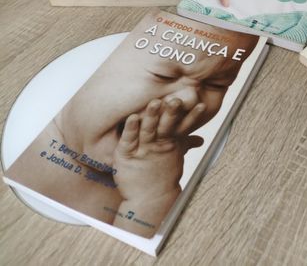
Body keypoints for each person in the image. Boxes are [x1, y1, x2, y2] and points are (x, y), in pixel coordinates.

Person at [6, 19, 259, 238]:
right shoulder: (23, 150)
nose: (190, 98)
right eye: (164, 75)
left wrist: (153, 197)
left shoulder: (159, 176)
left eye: (217, 84)